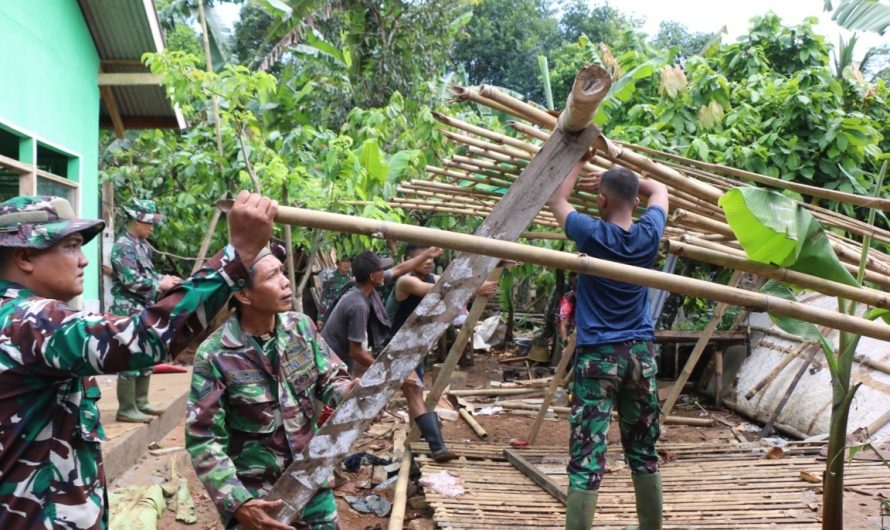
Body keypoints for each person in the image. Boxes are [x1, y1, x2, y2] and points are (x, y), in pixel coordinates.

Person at [0, 191, 275, 529]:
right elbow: (149, 336)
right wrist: (239, 254)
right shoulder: (28, 321)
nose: (83, 260)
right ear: (25, 256)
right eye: (70, 246)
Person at [186, 245, 354, 530]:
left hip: (312, 479)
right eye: (272, 276)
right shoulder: (214, 354)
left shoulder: (302, 328)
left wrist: (348, 391)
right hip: (258, 499)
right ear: (243, 294)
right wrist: (237, 502)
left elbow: (331, 379)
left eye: (282, 271)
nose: (285, 281)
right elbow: (204, 437)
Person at [548, 164, 669, 530]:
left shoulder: (592, 234)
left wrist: (580, 162)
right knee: (643, 448)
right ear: (635, 202)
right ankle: (651, 527)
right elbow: (660, 189)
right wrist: (626, 181)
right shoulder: (649, 233)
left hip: (599, 356)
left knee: (587, 453)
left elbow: (557, 199)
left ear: (601, 200)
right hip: (640, 354)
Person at [321, 248, 461, 462]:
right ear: (373, 276)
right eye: (380, 269)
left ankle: (436, 446)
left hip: (350, 356)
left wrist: (427, 253)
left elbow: (398, 268)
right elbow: (356, 351)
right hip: (331, 361)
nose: (385, 271)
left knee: (413, 386)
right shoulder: (358, 304)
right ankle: (328, 462)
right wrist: (390, 371)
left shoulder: (367, 288)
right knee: (336, 411)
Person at [110, 198, 182, 422]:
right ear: (136, 221)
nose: (152, 228)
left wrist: (164, 278)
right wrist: (158, 285)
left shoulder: (141, 245)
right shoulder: (123, 246)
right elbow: (130, 280)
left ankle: (141, 402)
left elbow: (147, 275)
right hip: (127, 308)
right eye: (148, 223)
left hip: (143, 306)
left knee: (145, 353)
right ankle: (126, 408)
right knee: (129, 354)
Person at [317, 254, 352, 328]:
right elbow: (324, 297)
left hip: (348, 313)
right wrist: (320, 318)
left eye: (348, 261)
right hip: (331, 313)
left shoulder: (353, 278)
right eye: (343, 261)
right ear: (338, 263)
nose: (346, 264)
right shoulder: (330, 278)